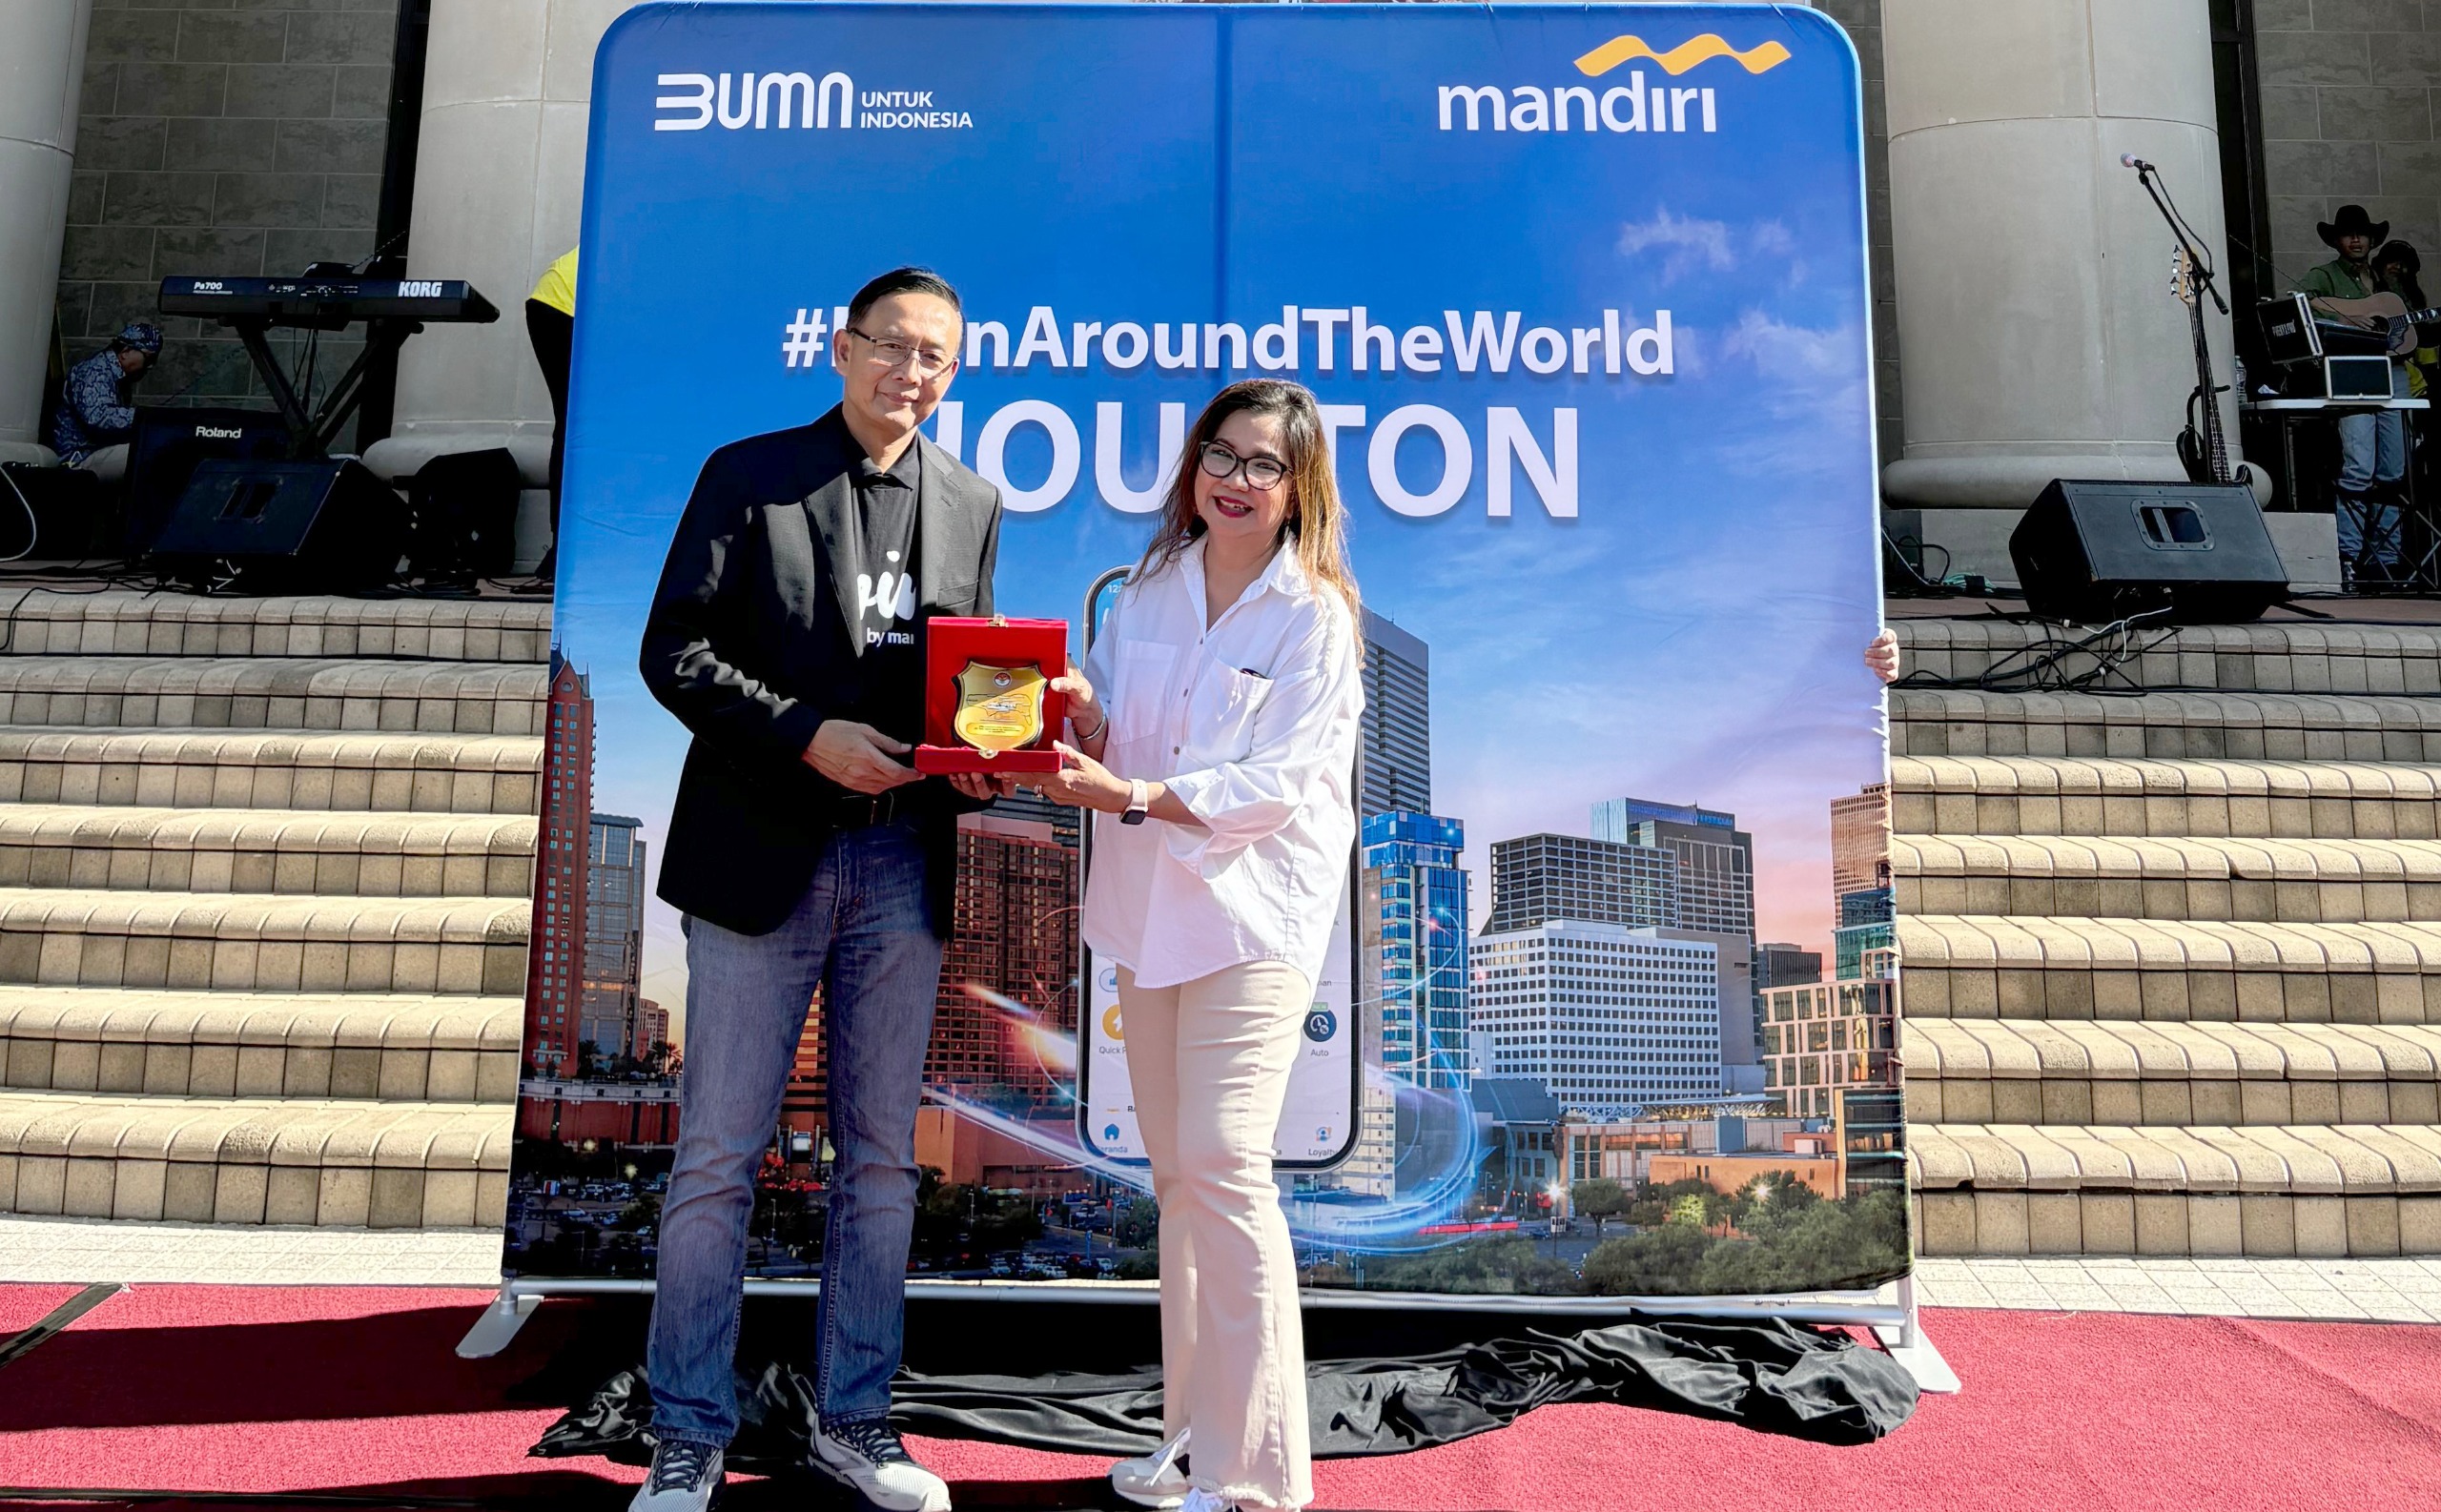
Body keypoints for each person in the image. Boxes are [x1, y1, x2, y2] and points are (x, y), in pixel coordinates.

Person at [632, 266, 1003, 1512]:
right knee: (717, 1159)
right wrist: (804, 735)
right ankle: (688, 1428)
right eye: (891, 345)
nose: (911, 371)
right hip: (760, 853)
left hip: (901, 861)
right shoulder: (749, 475)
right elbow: (672, 650)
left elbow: (969, 683)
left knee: (882, 1165)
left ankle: (857, 1421)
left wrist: (986, 754)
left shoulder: (971, 501)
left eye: (935, 356)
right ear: (842, 350)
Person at [1030, 379, 1364, 1512]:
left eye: (1264, 464)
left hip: (1251, 918)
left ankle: (1257, 1475)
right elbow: (1124, 735)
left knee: (1223, 1168)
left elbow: (1274, 786)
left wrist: (1126, 791)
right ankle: (1190, 1436)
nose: (1235, 478)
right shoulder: (1148, 589)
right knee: (1177, 1178)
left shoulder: (1313, 616)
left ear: (1299, 489)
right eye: (1220, 453)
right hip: (1147, 913)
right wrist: (1084, 717)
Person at [2299, 205, 2408, 583]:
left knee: (2393, 470)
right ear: (2337, 240)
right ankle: (2348, 555)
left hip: (2392, 369)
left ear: (2372, 239)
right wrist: (2343, 318)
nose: (2356, 240)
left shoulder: (2383, 277)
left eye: (2362, 233)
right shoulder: (2324, 274)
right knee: (2359, 465)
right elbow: (2299, 304)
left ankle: (2387, 559)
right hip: (2351, 370)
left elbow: (2405, 321)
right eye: (2348, 234)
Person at [45, 323, 162, 479]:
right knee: (149, 452)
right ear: (126, 352)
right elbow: (97, 417)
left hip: (96, 454)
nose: (150, 366)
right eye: (149, 358)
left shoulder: (119, 378)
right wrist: (144, 416)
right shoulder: (93, 371)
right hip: (77, 459)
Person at [526, 247, 577, 580]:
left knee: (576, 425)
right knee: (575, 424)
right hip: (562, 304)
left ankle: (565, 550)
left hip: (563, 297)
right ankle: (563, 551)